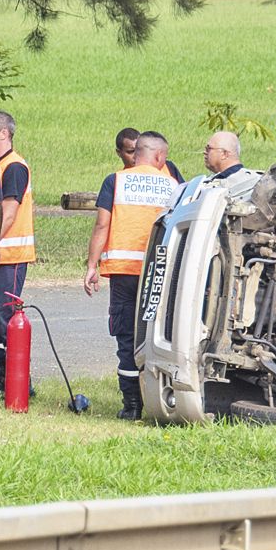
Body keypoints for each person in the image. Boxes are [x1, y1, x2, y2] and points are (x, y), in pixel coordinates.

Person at [83, 133, 180, 420]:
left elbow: (102, 226)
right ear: (161, 157)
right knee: (155, 334)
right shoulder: (174, 186)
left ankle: (131, 405)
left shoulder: (116, 181)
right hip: (158, 273)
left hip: (124, 272)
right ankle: (156, 399)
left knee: (126, 335)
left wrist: (92, 265)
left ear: (135, 153)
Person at [0, 109, 32, 394]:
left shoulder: (13, 167)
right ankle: (4, 379)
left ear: (4, 133)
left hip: (9, 257)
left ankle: (17, 380)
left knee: (5, 318)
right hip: (0, 254)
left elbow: (9, 213)